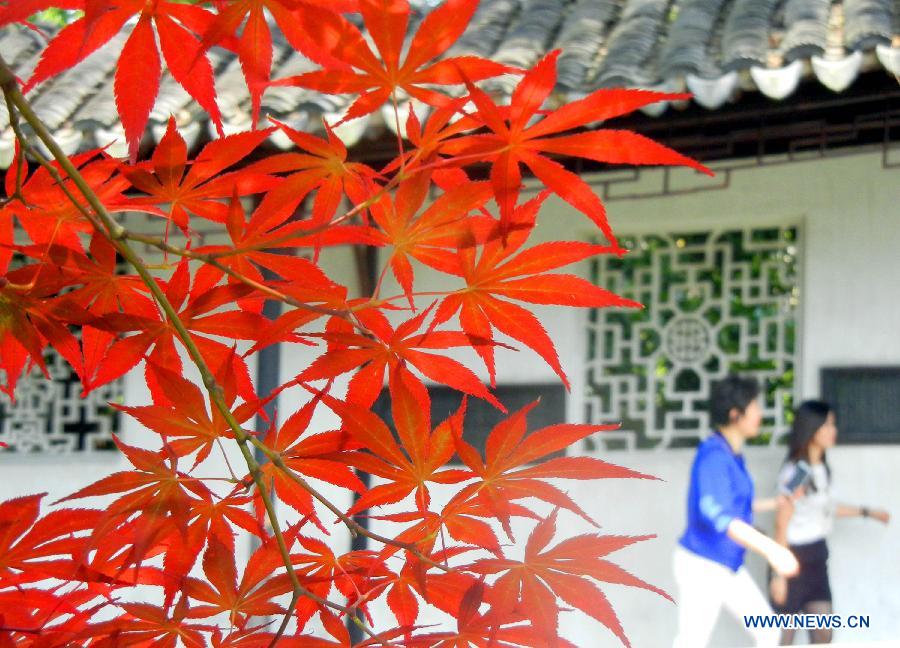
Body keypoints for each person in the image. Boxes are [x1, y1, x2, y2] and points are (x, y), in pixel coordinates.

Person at [673, 374, 799, 648]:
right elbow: (723, 518)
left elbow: (737, 504)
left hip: (727, 563)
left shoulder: (732, 454)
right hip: (702, 564)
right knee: (692, 642)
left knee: (768, 631)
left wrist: (775, 503)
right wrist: (773, 550)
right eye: (754, 407)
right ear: (735, 414)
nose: (760, 414)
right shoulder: (713, 457)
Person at [769, 400, 890, 645]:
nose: (833, 431)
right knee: (783, 637)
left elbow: (826, 508)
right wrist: (779, 574)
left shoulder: (820, 468)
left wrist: (867, 512)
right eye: (828, 425)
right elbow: (781, 521)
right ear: (812, 429)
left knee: (823, 632)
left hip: (816, 557)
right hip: (792, 558)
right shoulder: (798, 472)